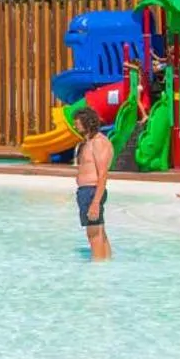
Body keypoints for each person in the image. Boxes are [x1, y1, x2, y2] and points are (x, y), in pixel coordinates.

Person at [72, 108, 113, 261]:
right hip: (88, 191)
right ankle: (105, 264)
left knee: (94, 234)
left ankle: (97, 268)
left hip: (91, 191)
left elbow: (103, 174)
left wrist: (95, 202)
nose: (75, 126)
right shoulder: (89, 142)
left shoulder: (98, 142)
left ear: (87, 122)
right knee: (99, 232)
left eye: (77, 123)